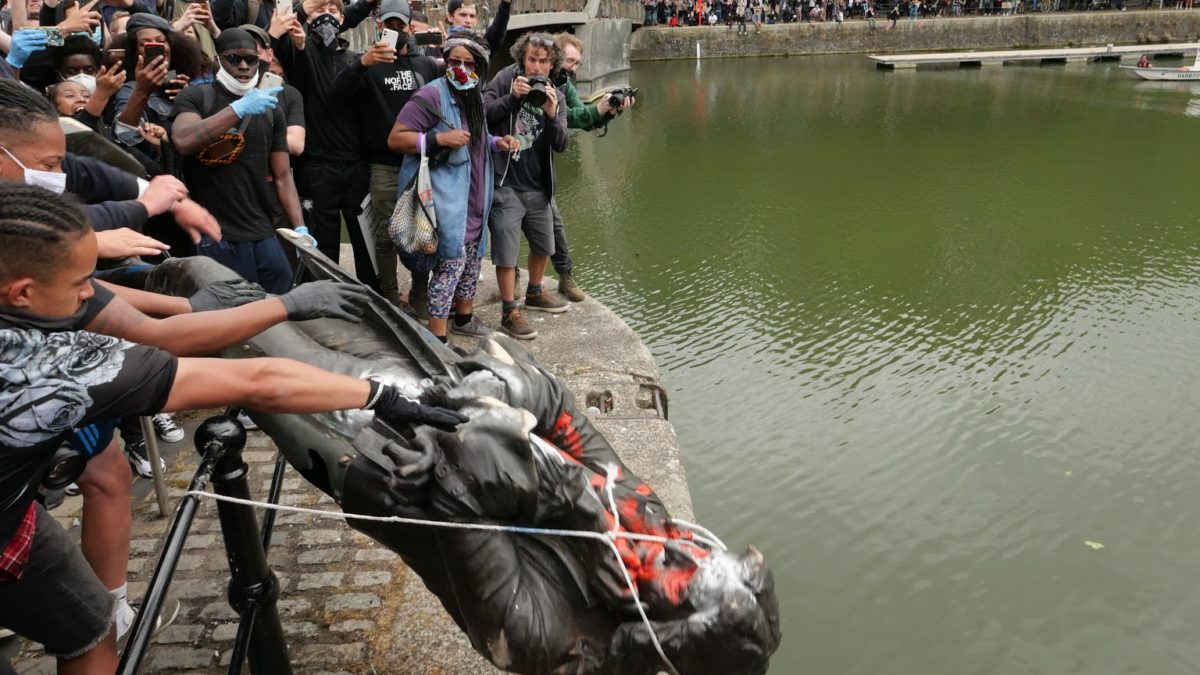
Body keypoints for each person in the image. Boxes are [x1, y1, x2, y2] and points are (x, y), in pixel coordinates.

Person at [0, 182, 466, 675]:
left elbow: (135, 319)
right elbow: (258, 379)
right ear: (24, 292)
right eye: (79, 284)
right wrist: (380, 396)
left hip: (18, 514)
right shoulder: (58, 372)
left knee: (88, 614)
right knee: (92, 632)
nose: (89, 292)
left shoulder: (30, 301)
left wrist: (219, 307)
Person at [388, 31, 518, 342]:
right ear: (445, 61)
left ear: (479, 68)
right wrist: (436, 139)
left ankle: (464, 319)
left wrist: (499, 143)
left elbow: (478, 140)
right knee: (448, 270)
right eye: (454, 61)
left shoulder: (473, 94)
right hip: (446, 202)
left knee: (471, 265)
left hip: (475, 199)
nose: (460, 68)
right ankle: (439, 340)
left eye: (468, 63)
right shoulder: (431, 95)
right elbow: (396, 138)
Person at [170, 28, 304, 294]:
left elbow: (282, 175)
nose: (243, 66)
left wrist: (299, 227)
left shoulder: (270, 108)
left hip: (262, 229)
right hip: (215, 231)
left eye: (250, 59)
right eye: (234, 59)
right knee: (231, 315)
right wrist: (238, 108)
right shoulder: (197, 97)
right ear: (219, 60)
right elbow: (184, 140)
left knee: (281, 308)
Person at [330, 0, 439, 306]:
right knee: (385, 236)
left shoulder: (425, 65)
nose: (394, 31)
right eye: (388, 25)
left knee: (423, 233)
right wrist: (362, 63)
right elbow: (336, 99)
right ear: (379, 26)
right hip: (383, 166)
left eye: (399, 26)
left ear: (409, 27)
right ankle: (389, 297)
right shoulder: (366, 64)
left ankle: (419, 293)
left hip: (421, 163)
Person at [270, 0, 377, 290]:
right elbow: (275, 38)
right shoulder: (297, 52)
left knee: (365, 238)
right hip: (317, 167)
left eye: (333, 11)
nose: (326, 17)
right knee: (324, 241)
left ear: (343, 19)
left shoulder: (355, 59)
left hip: (355, 165)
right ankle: (325, 298)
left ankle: (374, 296)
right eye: (320, 11)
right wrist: (302, 18)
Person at [482, 32, 569, 340]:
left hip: (538, 185)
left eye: (544, 61)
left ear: (552, 64)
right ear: (522, 58)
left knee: (544, 244)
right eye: (531, 59)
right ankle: (509, 310)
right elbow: (483, 115)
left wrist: (552, 114)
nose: (536, 67)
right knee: (506, 252)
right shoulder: (505, 78)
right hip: (506, 183)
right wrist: (513, 98)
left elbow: (562, 144)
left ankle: (534, 292)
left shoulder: (555, 88)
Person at [547, 32, 635, 304]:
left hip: (541, 166)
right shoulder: (531, 78)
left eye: (576, 64)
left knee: (554, 226)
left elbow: (582, 119)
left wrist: (607, 110)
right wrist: (598, 109)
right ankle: (515, 278)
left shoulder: (565, 85)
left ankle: (564, 276)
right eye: (569, 61)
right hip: (511, 164)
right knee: (512, 226)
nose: (572, 68)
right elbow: (570, 116)